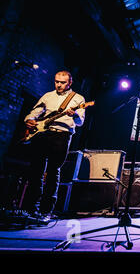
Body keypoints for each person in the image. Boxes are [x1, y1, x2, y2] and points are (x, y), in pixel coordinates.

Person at [23, 70, 85, 223]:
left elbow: (80, 122)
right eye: (57, 81)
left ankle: (45, 211)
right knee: (36, 170)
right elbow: (35, 112)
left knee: (53, 172)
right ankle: (30, 208)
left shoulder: (78, 99)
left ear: (69, 83)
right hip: (42, 134)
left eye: (62, 82)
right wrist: (29, 120)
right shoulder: (47, 96)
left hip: (62, 135)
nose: (59, 84)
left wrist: (74, 115)